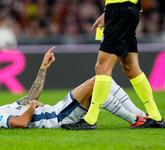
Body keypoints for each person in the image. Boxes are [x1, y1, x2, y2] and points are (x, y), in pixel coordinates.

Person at [0, 47, 149, 129]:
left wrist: (43, 67)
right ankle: (136, 119)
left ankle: (142, 116)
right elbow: (20, 123)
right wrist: (32, 106)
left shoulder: (0, 109)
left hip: (57, 111)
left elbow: (30, 97)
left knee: (102, 80)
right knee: (97, 83)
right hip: (57, 118)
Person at [61, 0, 165, 130]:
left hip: (120, 11)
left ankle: (90, 120)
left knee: (102, 67)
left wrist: (113, 11)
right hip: (126, 11)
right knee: (131, 68)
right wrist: (107, 12)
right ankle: (155, 117)